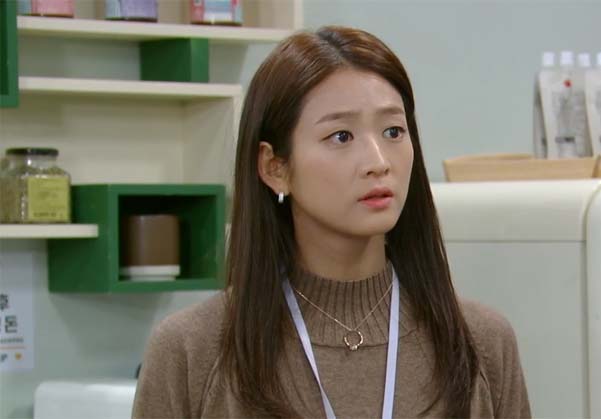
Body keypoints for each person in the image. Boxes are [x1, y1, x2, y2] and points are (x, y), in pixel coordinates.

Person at [132, 25, 531, 418]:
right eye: (341, 136)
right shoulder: (192, 351)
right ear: (275, 168)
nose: (378, 162)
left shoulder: (483, 344)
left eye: (393, 131)